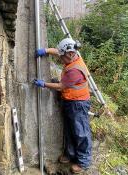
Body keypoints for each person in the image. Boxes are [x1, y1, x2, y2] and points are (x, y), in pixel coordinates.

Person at [34, 38, 92, 174]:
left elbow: (61, 86)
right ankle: (70, 153)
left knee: (81, 132)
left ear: (71, 54)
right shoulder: (71, 55)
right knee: (70, 130)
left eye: (63, 56)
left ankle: (83, 161)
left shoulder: (75, 70)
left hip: (78, 103)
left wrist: (44, 84)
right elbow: (59, 52)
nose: (60, 59)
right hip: (70, 101)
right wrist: (45, 51)